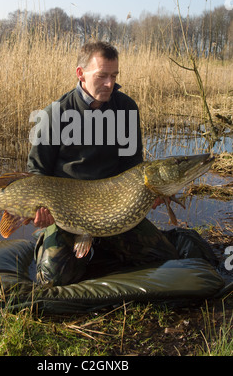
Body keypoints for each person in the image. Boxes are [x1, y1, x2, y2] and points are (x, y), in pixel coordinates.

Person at [27, 41, 178, 286]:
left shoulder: (126, 108)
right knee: (53, 279)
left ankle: (104, 243)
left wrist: (150, 192)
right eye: (102, 76)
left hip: (115, 210)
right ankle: (63, 244)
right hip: (67, 213)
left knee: (164, 257)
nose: (110, 84)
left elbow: (133, 166)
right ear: (81, 74)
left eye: (114, 75)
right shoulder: (54, 114)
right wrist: (39, 213)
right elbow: (37, 172)